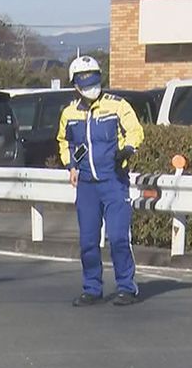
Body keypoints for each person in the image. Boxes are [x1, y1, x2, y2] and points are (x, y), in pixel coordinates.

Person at [56, 55, 145, 307]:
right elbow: (67, 142)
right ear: (75, 86)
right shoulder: (69, 113)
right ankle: (92, 288)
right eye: (84, 83)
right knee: (88, 241)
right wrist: (71, 164)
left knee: (118, 237)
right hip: (86, 186)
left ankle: (127, 286)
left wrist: (127, 149)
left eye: (93, 81)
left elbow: (135, 131)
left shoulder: (118, 106)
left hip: (114, 181)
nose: (91, 87)